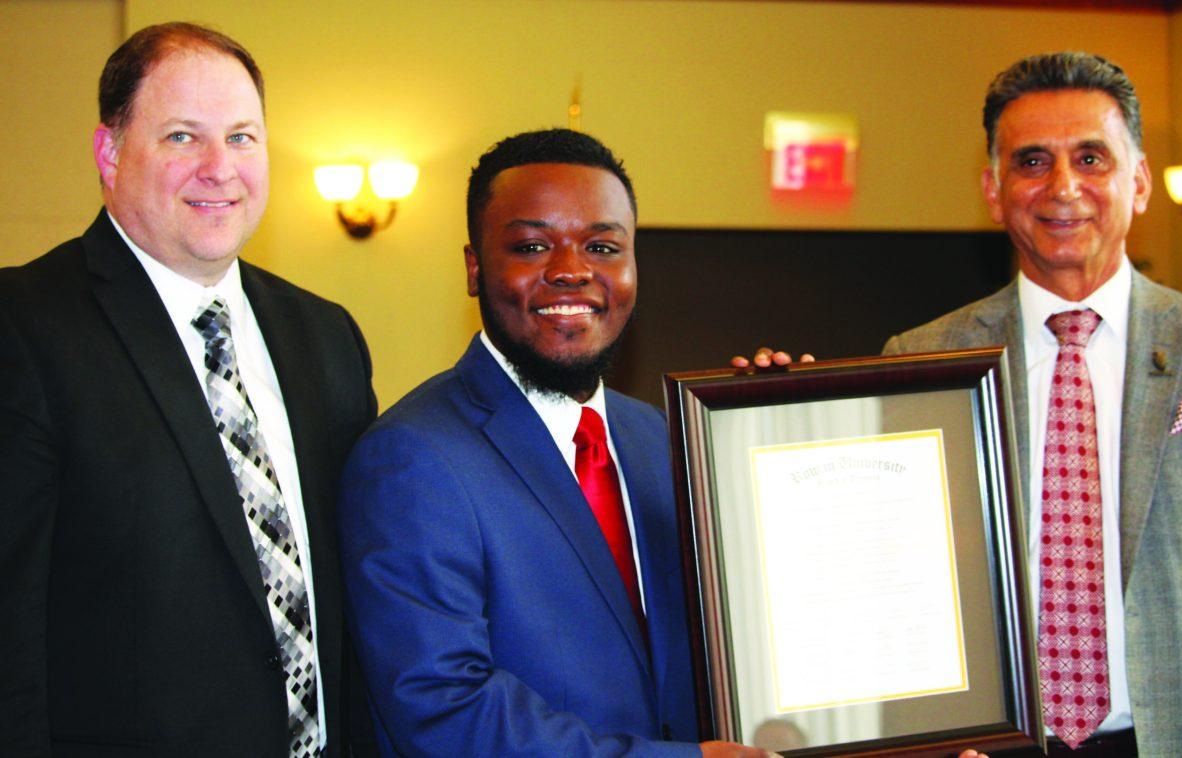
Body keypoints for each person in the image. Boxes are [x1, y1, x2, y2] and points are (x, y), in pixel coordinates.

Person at [0, 23, 377, 756]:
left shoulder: (326, 336)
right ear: (110, 154)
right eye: (181, 137)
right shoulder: (23, 328)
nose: (219, 168)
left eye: (242, 138)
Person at [339, 129, 771, 757]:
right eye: (532, 246)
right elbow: (443, 709)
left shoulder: (663, 439)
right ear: (474, 267)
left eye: (601, 245)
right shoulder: (411, 458)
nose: (571, 271)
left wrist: (767, 434)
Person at [884, 52, 1182, 756]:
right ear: (995, 191)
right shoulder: (922, 360)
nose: (1064, 188)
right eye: (1032, 162)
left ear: (1139, 181)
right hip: (987, 744)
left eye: (1092, 158)